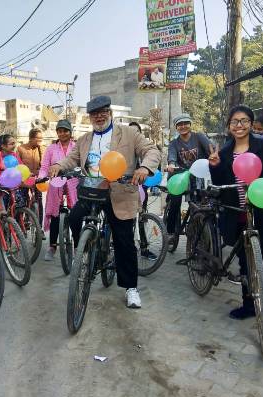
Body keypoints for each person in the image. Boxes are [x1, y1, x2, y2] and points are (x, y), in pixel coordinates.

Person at [49, 96, 161, 309]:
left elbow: (152, 151)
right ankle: (84, 248)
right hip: (92, 190)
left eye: (103, 112)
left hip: (120, 192)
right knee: (73, 217)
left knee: (124, 240)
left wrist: (144, 168)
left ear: (109, 113)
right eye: (94, 114)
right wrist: (58, 165)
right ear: (89, 117)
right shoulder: (84, 139)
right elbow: (70, 159)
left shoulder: (128, 133)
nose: (99, 117)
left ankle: (131, 288)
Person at [208, 105, 263, 332]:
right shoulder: (224, 152)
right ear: (229, 126)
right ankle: (249, 304)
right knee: (245, 265)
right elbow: (220, 182)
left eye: (244, 121)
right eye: (235, 121)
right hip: (239, 216)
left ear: (251, 124)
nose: (239, 125)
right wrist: (214, 166)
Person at [166, 113, 212, 243]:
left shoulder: (199, 137)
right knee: (175, 202)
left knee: (200, 204)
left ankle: (199, 228)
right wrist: (171, 164)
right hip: (179, 176)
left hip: (197, 176)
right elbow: (172, 156)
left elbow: (211, 149)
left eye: (186, 123)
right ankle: (170, 232)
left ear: (190, 124)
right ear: (176, 127)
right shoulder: (174, 143)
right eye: (180, 124)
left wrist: (214, 155)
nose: (183, 126)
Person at [38, 119, 78, 261]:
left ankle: (77, 247)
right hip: (55, 183)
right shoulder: (51, 149)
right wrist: (41, 177)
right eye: (60, 131)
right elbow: (44, 167)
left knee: (75, 215)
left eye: (65, 130)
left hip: (73, 183)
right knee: (55, 214)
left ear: (70, 132)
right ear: (57, 133)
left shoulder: (76, 146)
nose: (62, 133)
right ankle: (52, 246)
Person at [17, 128, 45, 226]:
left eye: (41, 139)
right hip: (24, 179)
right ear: (31, 138)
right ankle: (20, 225)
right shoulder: (21, 149)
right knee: (22, 201)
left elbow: (44, 164)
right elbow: (17, 165)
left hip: (38, 179)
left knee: (39, 201)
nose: (40, 141)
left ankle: (39, 228)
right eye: (38, 139)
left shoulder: (41, 148)